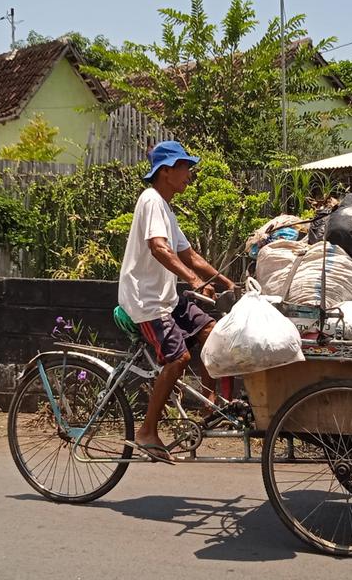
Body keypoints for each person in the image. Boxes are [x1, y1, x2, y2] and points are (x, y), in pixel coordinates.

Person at [118, 140, 235, 464]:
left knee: (212, 332)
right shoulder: (151, 200)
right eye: (185, 167)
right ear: (166, 171)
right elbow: (159, 247)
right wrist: (194, 281)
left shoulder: (167, 209)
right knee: (178, 358)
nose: (189, 174)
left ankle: (210, 406)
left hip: (166, 298)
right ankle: (147, 431)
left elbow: (188, 254)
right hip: (145, 301)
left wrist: (225, 281)